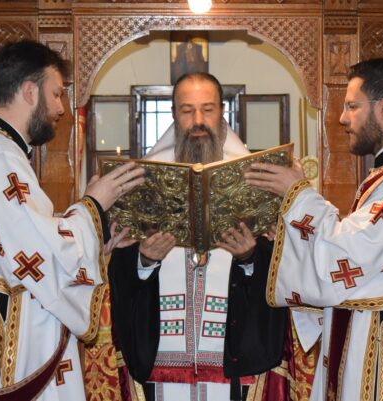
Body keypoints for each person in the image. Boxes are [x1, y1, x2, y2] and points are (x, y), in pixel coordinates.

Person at [0, 40, 145, 400]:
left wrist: (96, 241)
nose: (61, 107)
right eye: (56, 94)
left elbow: (17, 243)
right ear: (30, 92)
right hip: (7, 356)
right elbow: (41, 253)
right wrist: (94, 204)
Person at [245, 58, 383, 400]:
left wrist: (298, 195)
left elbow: (348, 255)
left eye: (352, 106)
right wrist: (290, 234)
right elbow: (362, 260)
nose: (343, 118)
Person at [107, 72, 295, 401]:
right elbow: (119, 269)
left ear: (221, 111)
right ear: (173, 114)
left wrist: (249, 258)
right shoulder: (139, 182)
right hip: (161, 359)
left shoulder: (258, 181)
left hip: (232, 360)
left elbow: (280, 268)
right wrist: (144, 260)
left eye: (207, 109)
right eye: (187, 110)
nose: (198, 120)